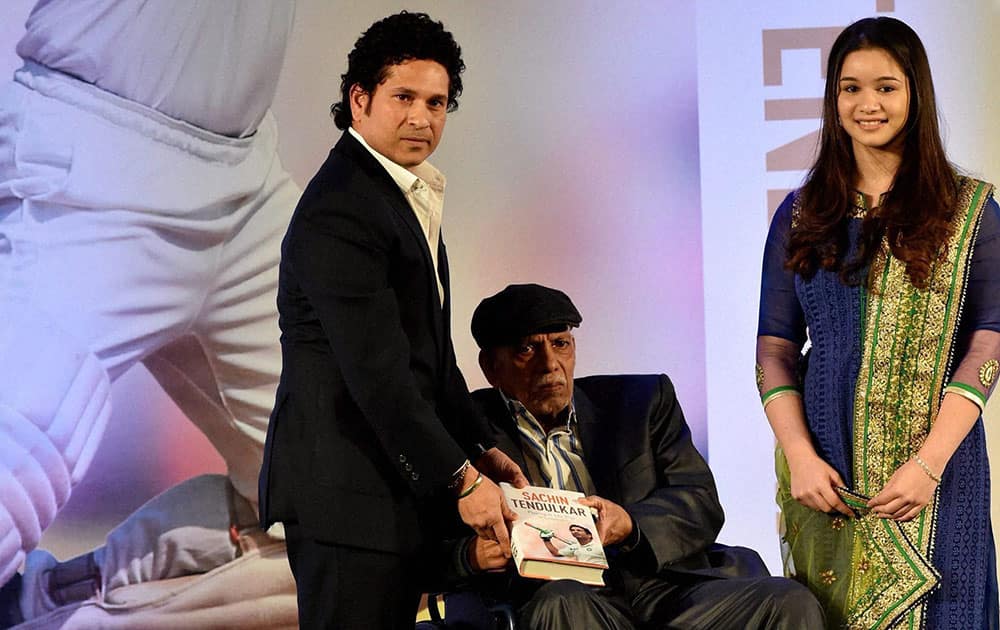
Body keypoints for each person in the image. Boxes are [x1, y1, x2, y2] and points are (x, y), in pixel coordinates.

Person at [0, 1, 301, 627]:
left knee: (376, 509)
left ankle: (48, 610)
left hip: (246, 181)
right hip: (94, 153)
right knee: (18, 456)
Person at [257, 12, 526, 629]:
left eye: (437, 103)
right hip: (345, 498)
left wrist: (482, 447)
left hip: (386, 497)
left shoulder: (400, 194)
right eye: (403, 97)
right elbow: (379, 377)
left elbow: (429, 359)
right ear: (360, 99)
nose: (421, 117)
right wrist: (463, 481)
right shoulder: (344, 208)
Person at [756, 16, 1000, 629]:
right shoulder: (803, 213)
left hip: (938, 472)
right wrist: (800, 456)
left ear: (915, 94)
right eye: (850, 87)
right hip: (827, 472)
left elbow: (988, 344)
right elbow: (774, 351)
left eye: (886, 87)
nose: (868, 104)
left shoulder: (970, 211)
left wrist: (928, 465)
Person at [446, 283, 824, 629]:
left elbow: (700, 502)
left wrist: (629, 524)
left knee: (787, 601)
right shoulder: (461, 429)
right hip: (560, 597)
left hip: (661, 587)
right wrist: (471, 556)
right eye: (527, 350)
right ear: (491, 368)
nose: (549, 364)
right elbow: (423, 546)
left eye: (560, 344)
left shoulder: (641, 402)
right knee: (564, 602)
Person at [540, 524, 606, 564]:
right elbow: (556, 553)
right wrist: (546, 540)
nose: (574, 532)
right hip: (583, 572)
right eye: (572, 530)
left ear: (589, 535)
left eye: (578, 530)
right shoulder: (575, 546)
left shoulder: (599, 545)